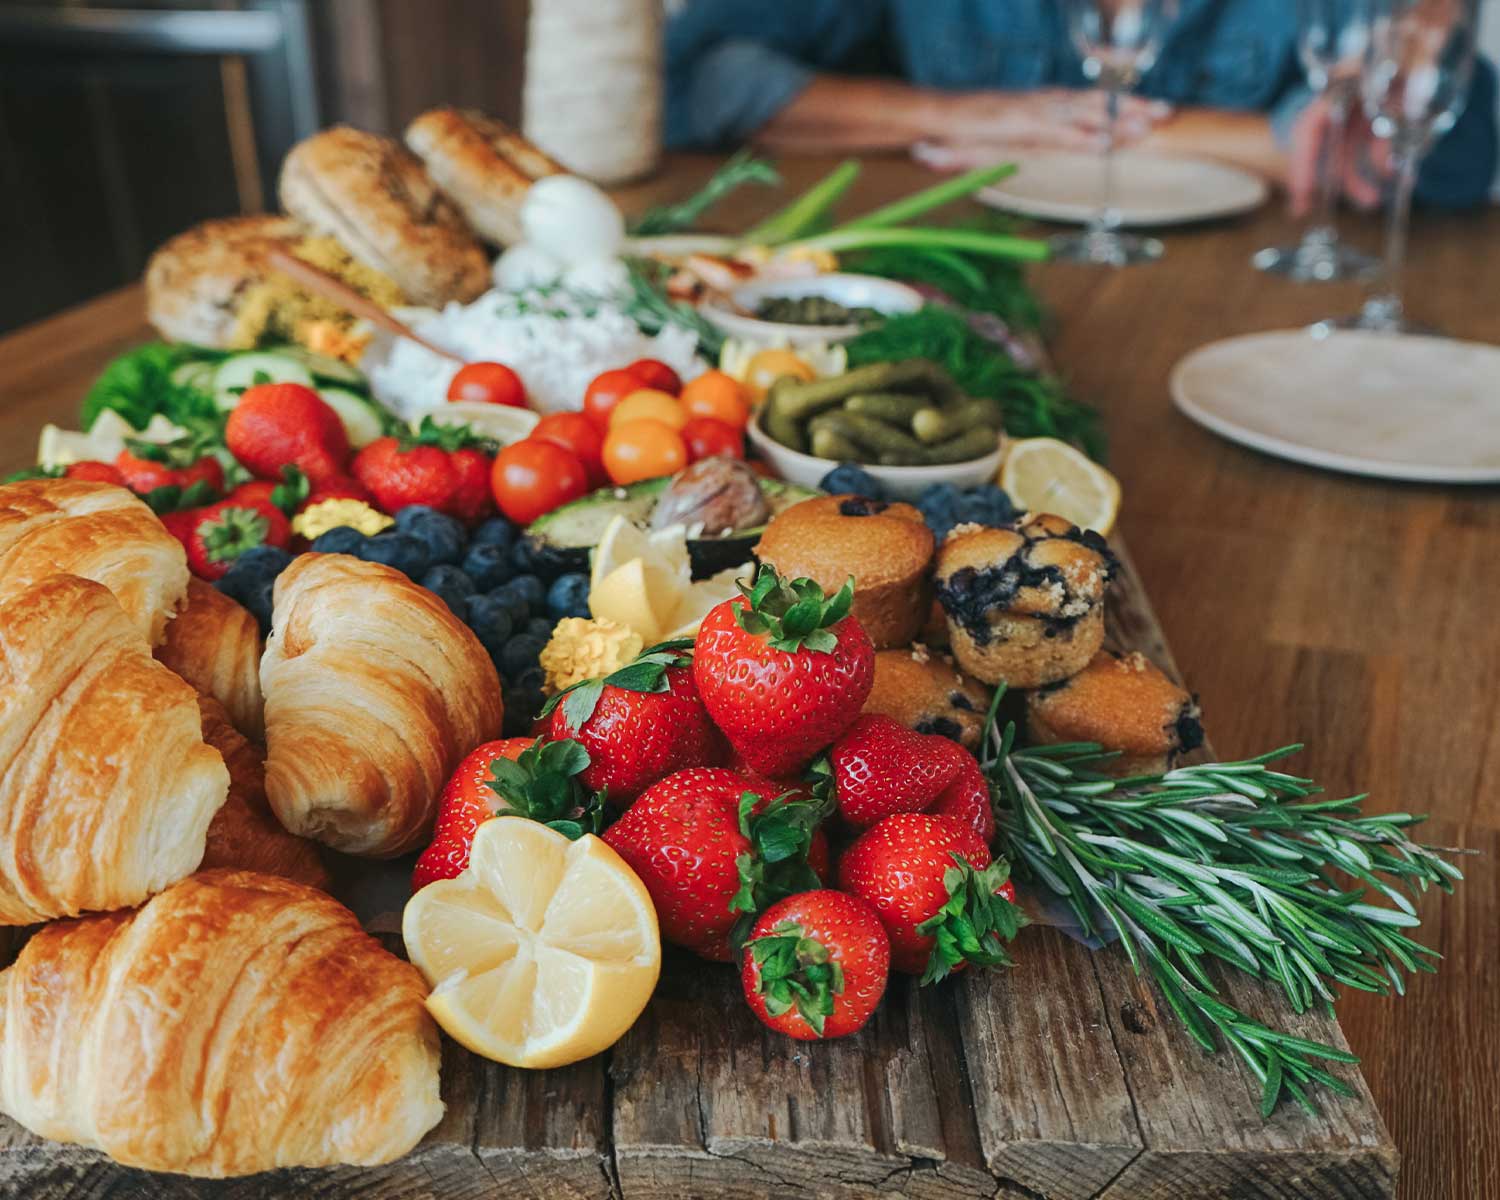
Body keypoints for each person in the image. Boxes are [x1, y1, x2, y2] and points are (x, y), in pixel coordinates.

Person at [664, 0, 1498, 212]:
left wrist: (1118, 135)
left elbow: (1455, 152)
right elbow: (690, 78)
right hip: (972, 279)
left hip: (1226, 309)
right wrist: (962, 114)